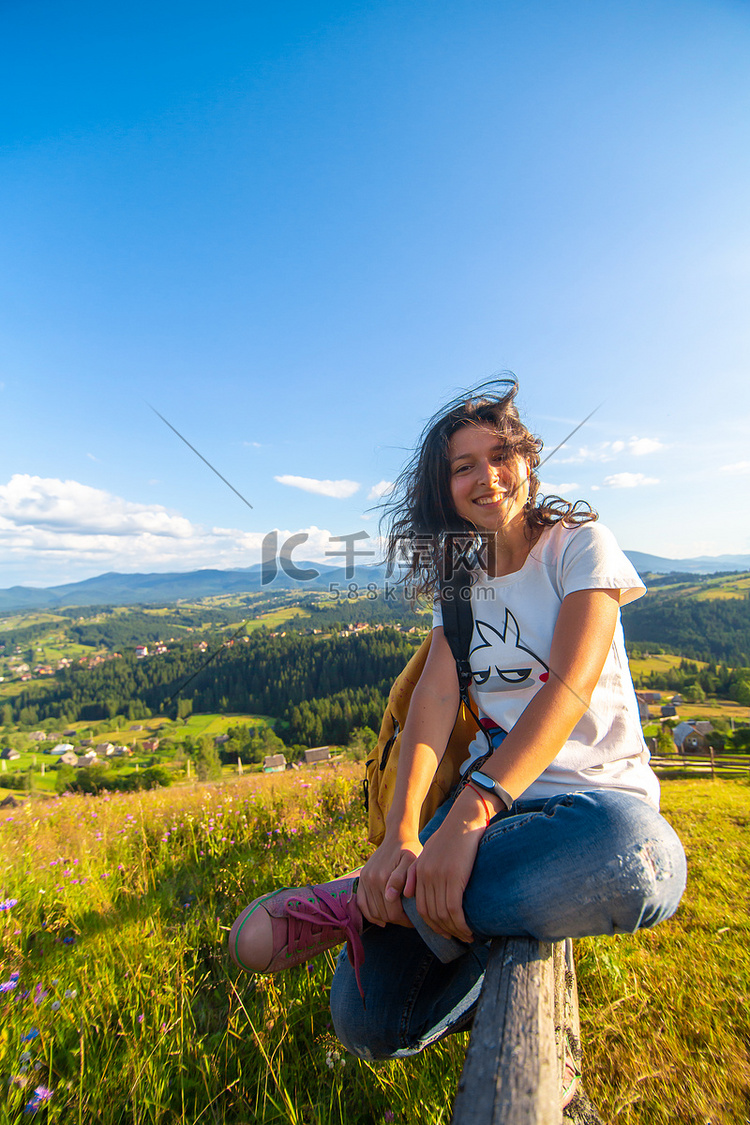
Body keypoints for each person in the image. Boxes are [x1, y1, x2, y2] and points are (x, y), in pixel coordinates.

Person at [229, 379, 686, 1087]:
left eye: (500, 454)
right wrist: (403, 832)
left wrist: (476, 809)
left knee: (644, 862)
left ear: (529, 462)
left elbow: (568, 687)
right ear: (444, 490)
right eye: (463, 465)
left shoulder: (579, 547)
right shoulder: (461, 583)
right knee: (370, 1019)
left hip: (593, 807)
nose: (487, 476)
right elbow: (431, 709)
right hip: (485, 805)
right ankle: (441, 892)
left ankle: (369, 898)